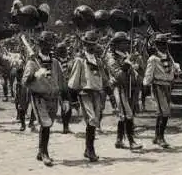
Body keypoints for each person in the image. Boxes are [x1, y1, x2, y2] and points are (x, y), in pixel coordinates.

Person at [22, 31, 65, 167]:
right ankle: (45, 153)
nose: (48, 46)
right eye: (45, 44)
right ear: (40, 45)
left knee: (49, 124)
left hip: (52, 97)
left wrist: (66, 99)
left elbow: (61, 81)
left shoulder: (55, 62)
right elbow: (24, 81)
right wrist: (35, 75)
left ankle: (40, 151)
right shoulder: (32, 62)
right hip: (39, 96)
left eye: (50, 44)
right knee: (45, 123)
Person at [68, 30, 109, 162]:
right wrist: (73, 98)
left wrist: (108, 89)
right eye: (88, 44)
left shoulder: (98, 60)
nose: (91, 47)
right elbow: (74, 80)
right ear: (84, 44)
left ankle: (87, 149)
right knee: (91, 119)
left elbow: (103, 77)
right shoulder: (80, 60)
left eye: (93, 44)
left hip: (97, 92)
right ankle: (90, 150)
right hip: (85, 93)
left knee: (95, 120)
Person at [106, 31, 143, 150]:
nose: (127, 45)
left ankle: (119, 140)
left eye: (127, 42)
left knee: (124, 115)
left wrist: (135, 65)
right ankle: (131, 141)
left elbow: (135, 73)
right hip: (120, 88)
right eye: (123, 43)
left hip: (130, 88)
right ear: (116, 44)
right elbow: (119, 76)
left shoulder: (126, 55)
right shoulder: (112, 58)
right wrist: (127, 65)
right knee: (128, 114)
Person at [143, 33, 181, 148]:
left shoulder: (169, 57)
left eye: (164, 44)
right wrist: (146, 84)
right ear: (156, 45)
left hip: (168, 85)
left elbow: (172, 69)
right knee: (165, 111)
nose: (163, 46)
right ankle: (160, 137)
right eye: (160, 44)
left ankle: (157, 136)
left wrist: (176, 70)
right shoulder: (153, 59)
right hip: (158, 85)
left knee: (162, 112)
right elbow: (148, 73)